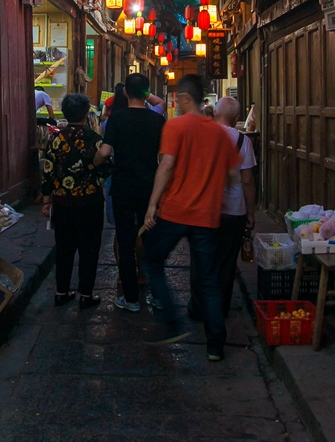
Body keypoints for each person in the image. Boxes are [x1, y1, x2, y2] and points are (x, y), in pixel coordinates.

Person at [142, 74, 242, 361]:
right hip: (207, 216)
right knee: (208, 280)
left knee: (153, 260)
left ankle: (172, 324)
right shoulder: (219, 134)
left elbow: (166, 166)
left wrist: (152, 205)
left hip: (176, 211)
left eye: (177, 97)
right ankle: (215, 346)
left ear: (185, 98)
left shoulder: (175, 126)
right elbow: (233, 176)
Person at [94, 72, 165, 312]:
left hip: (123, 186)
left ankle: (131, 299)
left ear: (125, 92)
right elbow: (164, 159)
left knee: (125, 241)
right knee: (152, 240)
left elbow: (104, 153)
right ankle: (157, 295)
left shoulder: (117, 118)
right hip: (149, 188)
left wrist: (93, 164)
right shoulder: (158, 120)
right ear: (147, 92)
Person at [41, 93, 108, 309]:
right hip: (90, 203)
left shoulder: (56, 139)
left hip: (63, 203)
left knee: (64, 248)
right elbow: (106, 168)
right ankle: (86, 295)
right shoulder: (95, 138)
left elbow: (48, 171)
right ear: (86, 114)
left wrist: (46, 200)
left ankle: (61, 292)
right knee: (89, 249)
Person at [208, 96, 257, 316]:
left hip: (206, 208)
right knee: (227, 262)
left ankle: (200, 305)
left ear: (215, 114)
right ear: (237, 118)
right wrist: (251, 212)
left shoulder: (203, 136)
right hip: (234, 211)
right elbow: (247, 180)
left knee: (204, 258)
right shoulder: (242, 141)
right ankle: (221, 307)